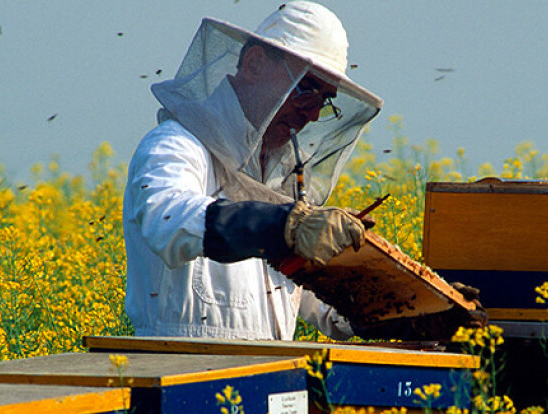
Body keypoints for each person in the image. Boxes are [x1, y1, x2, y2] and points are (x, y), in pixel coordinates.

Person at [123, 1, 486, 341]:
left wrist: (411, 312)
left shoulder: (278, 179)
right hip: (180, 369)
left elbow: (321, 297)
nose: (313, 113)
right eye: (307, 89)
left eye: (324, 100)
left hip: (273, 376)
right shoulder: (175, 146)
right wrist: (285, 226)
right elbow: (166, 219)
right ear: (254, 65)